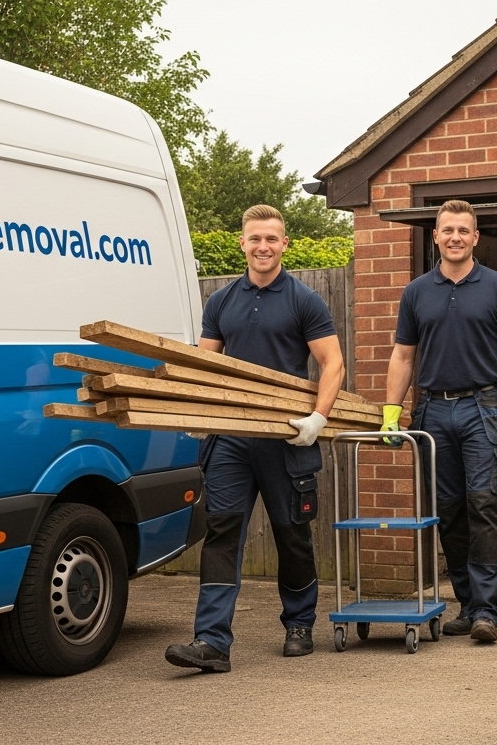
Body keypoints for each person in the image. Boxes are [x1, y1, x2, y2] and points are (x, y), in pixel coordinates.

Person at [165, 204, 345, 673]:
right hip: (230, 441)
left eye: (271, 239)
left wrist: (318, 419)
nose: (263, 247)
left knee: (292, 534)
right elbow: (205, 369)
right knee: (222, 532)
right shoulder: (221, 302)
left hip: (287, 439)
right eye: (254, 239)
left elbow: (333, 363)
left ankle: (300, 624)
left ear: (284, 244)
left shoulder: (305, 300)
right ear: (242, 243)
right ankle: (211, 641)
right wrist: (198, 413)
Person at [381, 199, 497, 644]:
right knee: (448, 511)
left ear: (475, 237)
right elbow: (404, 355)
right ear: (436, 236)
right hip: (432, 410)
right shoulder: (416, 292)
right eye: (446, 230)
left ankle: (488, 611)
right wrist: (391, 410)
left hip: (483, 408)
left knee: (485, 504)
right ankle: (468, 606)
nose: (454, 237)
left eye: (463, 231)